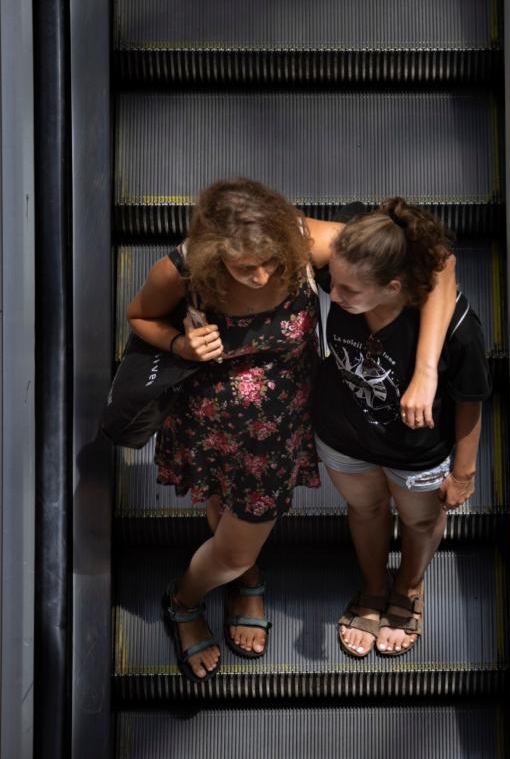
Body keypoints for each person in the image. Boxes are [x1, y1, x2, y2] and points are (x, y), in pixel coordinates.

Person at [126, 178, 458, 680]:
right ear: (217, 252)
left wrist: (427, 371)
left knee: (235, 541)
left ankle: (199, 589)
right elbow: (140, 316)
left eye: (272, 262)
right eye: (245, 266)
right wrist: (179, 345)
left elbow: (435, 261)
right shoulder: (185, 266)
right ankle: (210, 588)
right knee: (227, 520)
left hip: (277, 429)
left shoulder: (303, 239)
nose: (262, 275)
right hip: (210, 421)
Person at [314, 198, 491, 658]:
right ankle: (374, 589)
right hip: (344, 435)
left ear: (393, 287)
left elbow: (470, 403)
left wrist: (464, 474)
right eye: (333, 281)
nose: (334, 296)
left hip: (418, 452)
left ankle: (408, 589)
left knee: (419, 519)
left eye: (350, 291)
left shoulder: (457, 330)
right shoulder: (346, 276)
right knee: (366, 512)